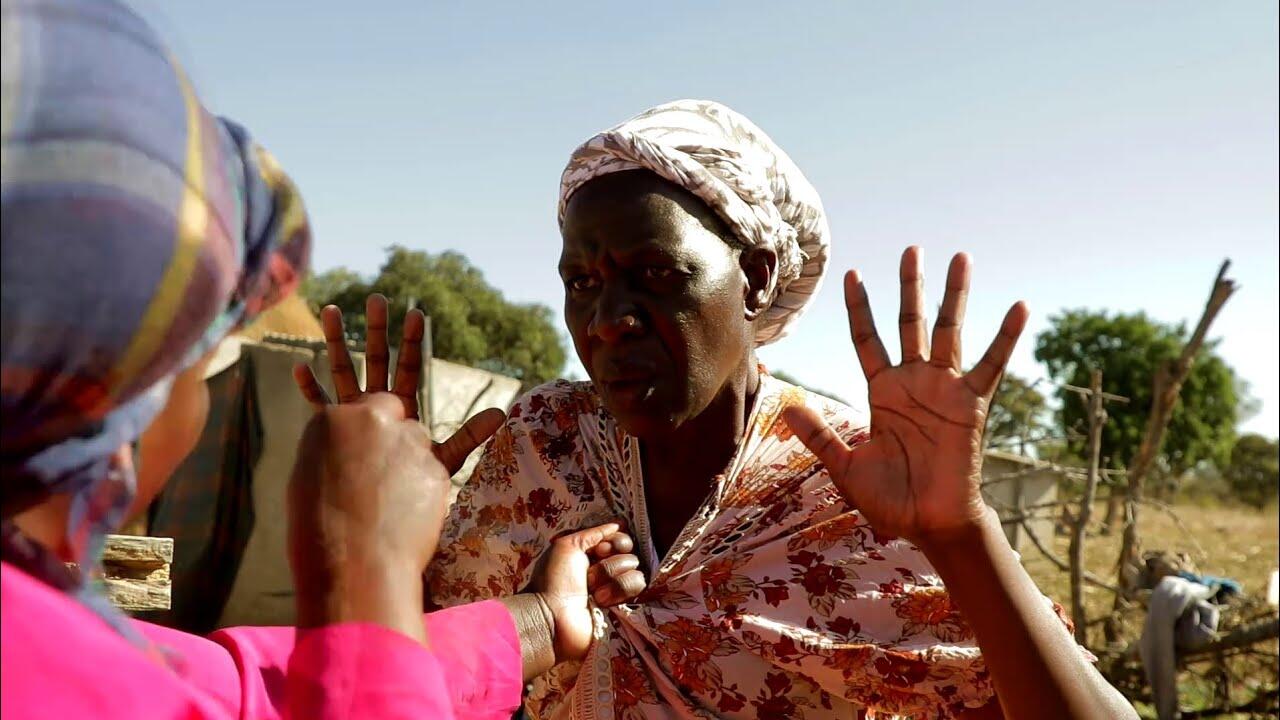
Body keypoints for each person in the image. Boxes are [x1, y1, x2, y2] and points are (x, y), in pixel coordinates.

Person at [0, 2, 641, 718]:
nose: (611, 321)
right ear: (113, 394)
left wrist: (541, 620)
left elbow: (243, 690)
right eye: (197, 362)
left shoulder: (49, 638)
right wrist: (370, 565)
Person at [423, 100, 1138, 719]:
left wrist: (963, 536)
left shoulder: (856, 482)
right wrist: (395, 540)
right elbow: (406, 675)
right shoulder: (548, 445)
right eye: (582, 283)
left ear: (757, 278)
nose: (609, 321)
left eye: (657, 273)